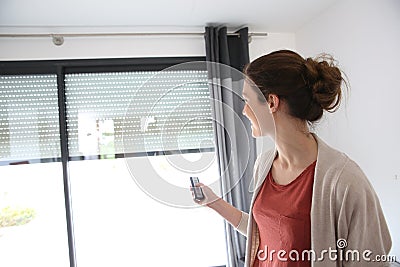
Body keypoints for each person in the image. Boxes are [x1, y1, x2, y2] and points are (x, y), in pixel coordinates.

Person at [192, 50, 392, 266]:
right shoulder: (265, 164)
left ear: (271, 102)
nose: (243, 110)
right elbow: (267, 232)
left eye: (247, 100)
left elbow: (371, 259)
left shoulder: (345, 182)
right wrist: (214, 202)